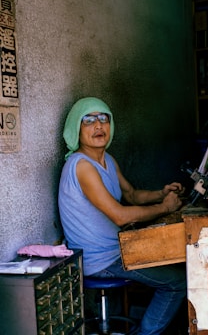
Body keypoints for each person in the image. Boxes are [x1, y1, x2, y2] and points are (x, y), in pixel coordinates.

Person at [58, 97, 187, 335]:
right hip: (101, 259)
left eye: (103, 118)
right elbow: (119, 216)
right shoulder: (81, 166)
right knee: (178, 282)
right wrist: (165, 208)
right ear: (76, 127)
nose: (98, 125)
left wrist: (161, 193)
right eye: (88, 120)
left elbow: (132, 195)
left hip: (117, 251)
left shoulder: (107, 159)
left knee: (176, 259)